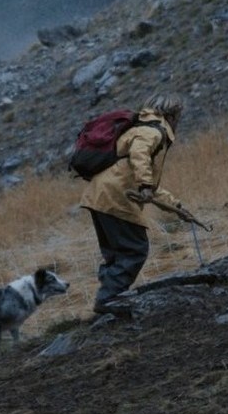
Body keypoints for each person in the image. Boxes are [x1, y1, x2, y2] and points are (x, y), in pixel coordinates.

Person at [79, 93, 194, 315]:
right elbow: (139, 158)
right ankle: (109, 299)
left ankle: (110, 299)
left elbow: (146, 180)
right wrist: (144, 186)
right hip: (117, 196)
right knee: (135, 250)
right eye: (179, 116)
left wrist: (177, 208)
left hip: (99, 195)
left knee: (115, 253)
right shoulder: (153, 131)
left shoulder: (139, 129)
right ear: (172, 115)